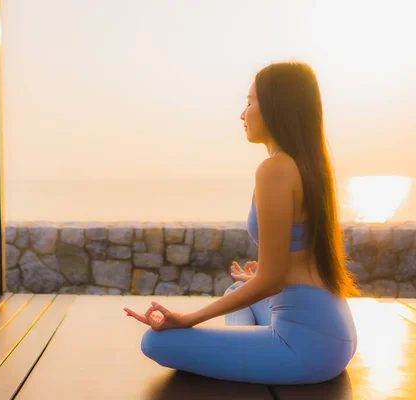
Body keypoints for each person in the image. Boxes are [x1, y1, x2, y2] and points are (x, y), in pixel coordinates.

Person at [123, 61, 360, 385]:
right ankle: (251, 347)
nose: (242, 114)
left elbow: (271, 281)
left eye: (249, 103)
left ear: (277, 107)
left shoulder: (274, 170)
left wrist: (187, 319)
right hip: (336, 333)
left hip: (307, 350)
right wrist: (259, 277)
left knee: (155, 342)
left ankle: (254, 349)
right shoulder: (309, 165)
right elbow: (295, 262)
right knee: (239, 287)